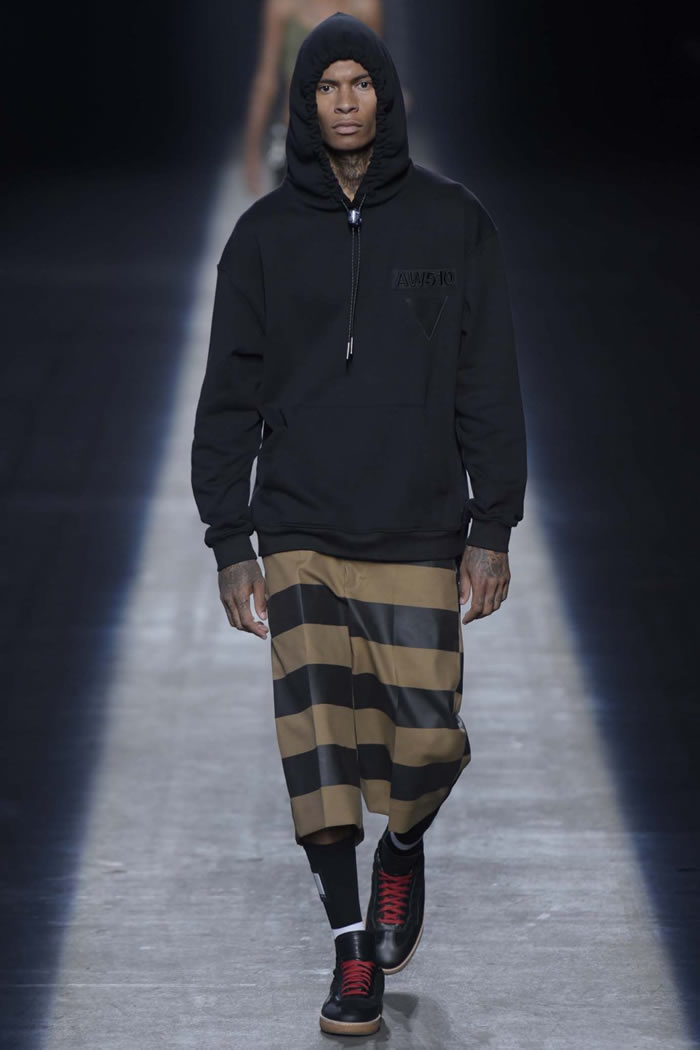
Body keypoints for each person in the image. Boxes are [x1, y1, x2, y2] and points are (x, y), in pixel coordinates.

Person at [191, 12, 527, 1037]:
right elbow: (227, 396)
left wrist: (492, 523)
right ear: (306, 105)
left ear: (386, 96)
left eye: (359, 82)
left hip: (417, 525)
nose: (344, 101)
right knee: (319, 749)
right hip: (298, 525)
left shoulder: (453, 222)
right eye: (326, 86)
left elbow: (487, 377)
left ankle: (404, 847)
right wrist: (231, 540)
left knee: (428, 742)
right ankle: (349, 950)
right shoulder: (262, 237)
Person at [243, 0, 383, 194]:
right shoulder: (282, 6)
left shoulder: (364, 6)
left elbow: (375, 79)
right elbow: (267, 80)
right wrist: (252, 149)